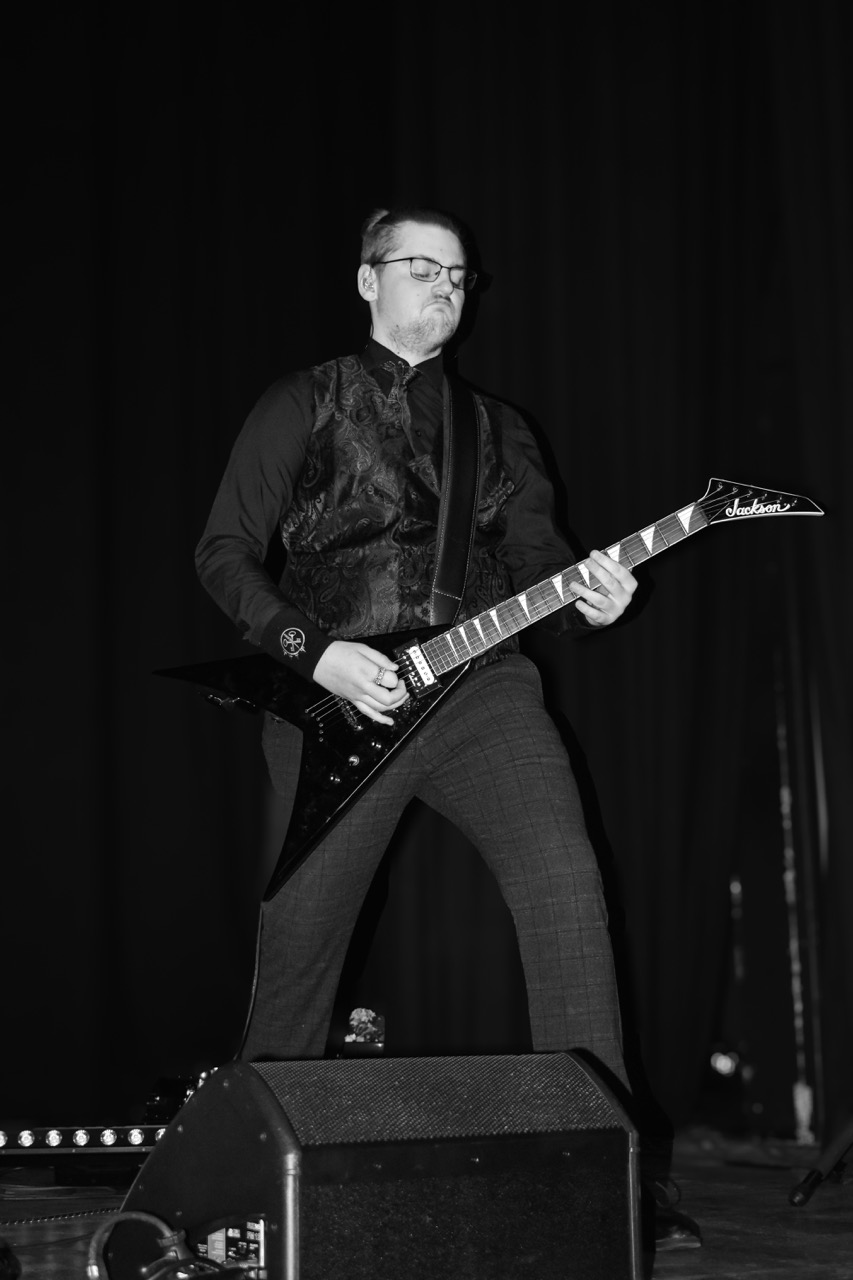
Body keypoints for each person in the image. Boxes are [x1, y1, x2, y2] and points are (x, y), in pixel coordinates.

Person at [195, 206, 699, 1250]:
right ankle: (241, 1181)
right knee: (301, 947)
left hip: (481, 689)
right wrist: (312, 650)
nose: (443, 287)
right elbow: (223, 552)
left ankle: (615, 1180)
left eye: (458, 276)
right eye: (420, 267)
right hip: (339, 695)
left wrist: (597, 601)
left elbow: (543, 571)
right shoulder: (303, 400)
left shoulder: (498, 428)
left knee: (566, 889)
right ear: (367, 280)